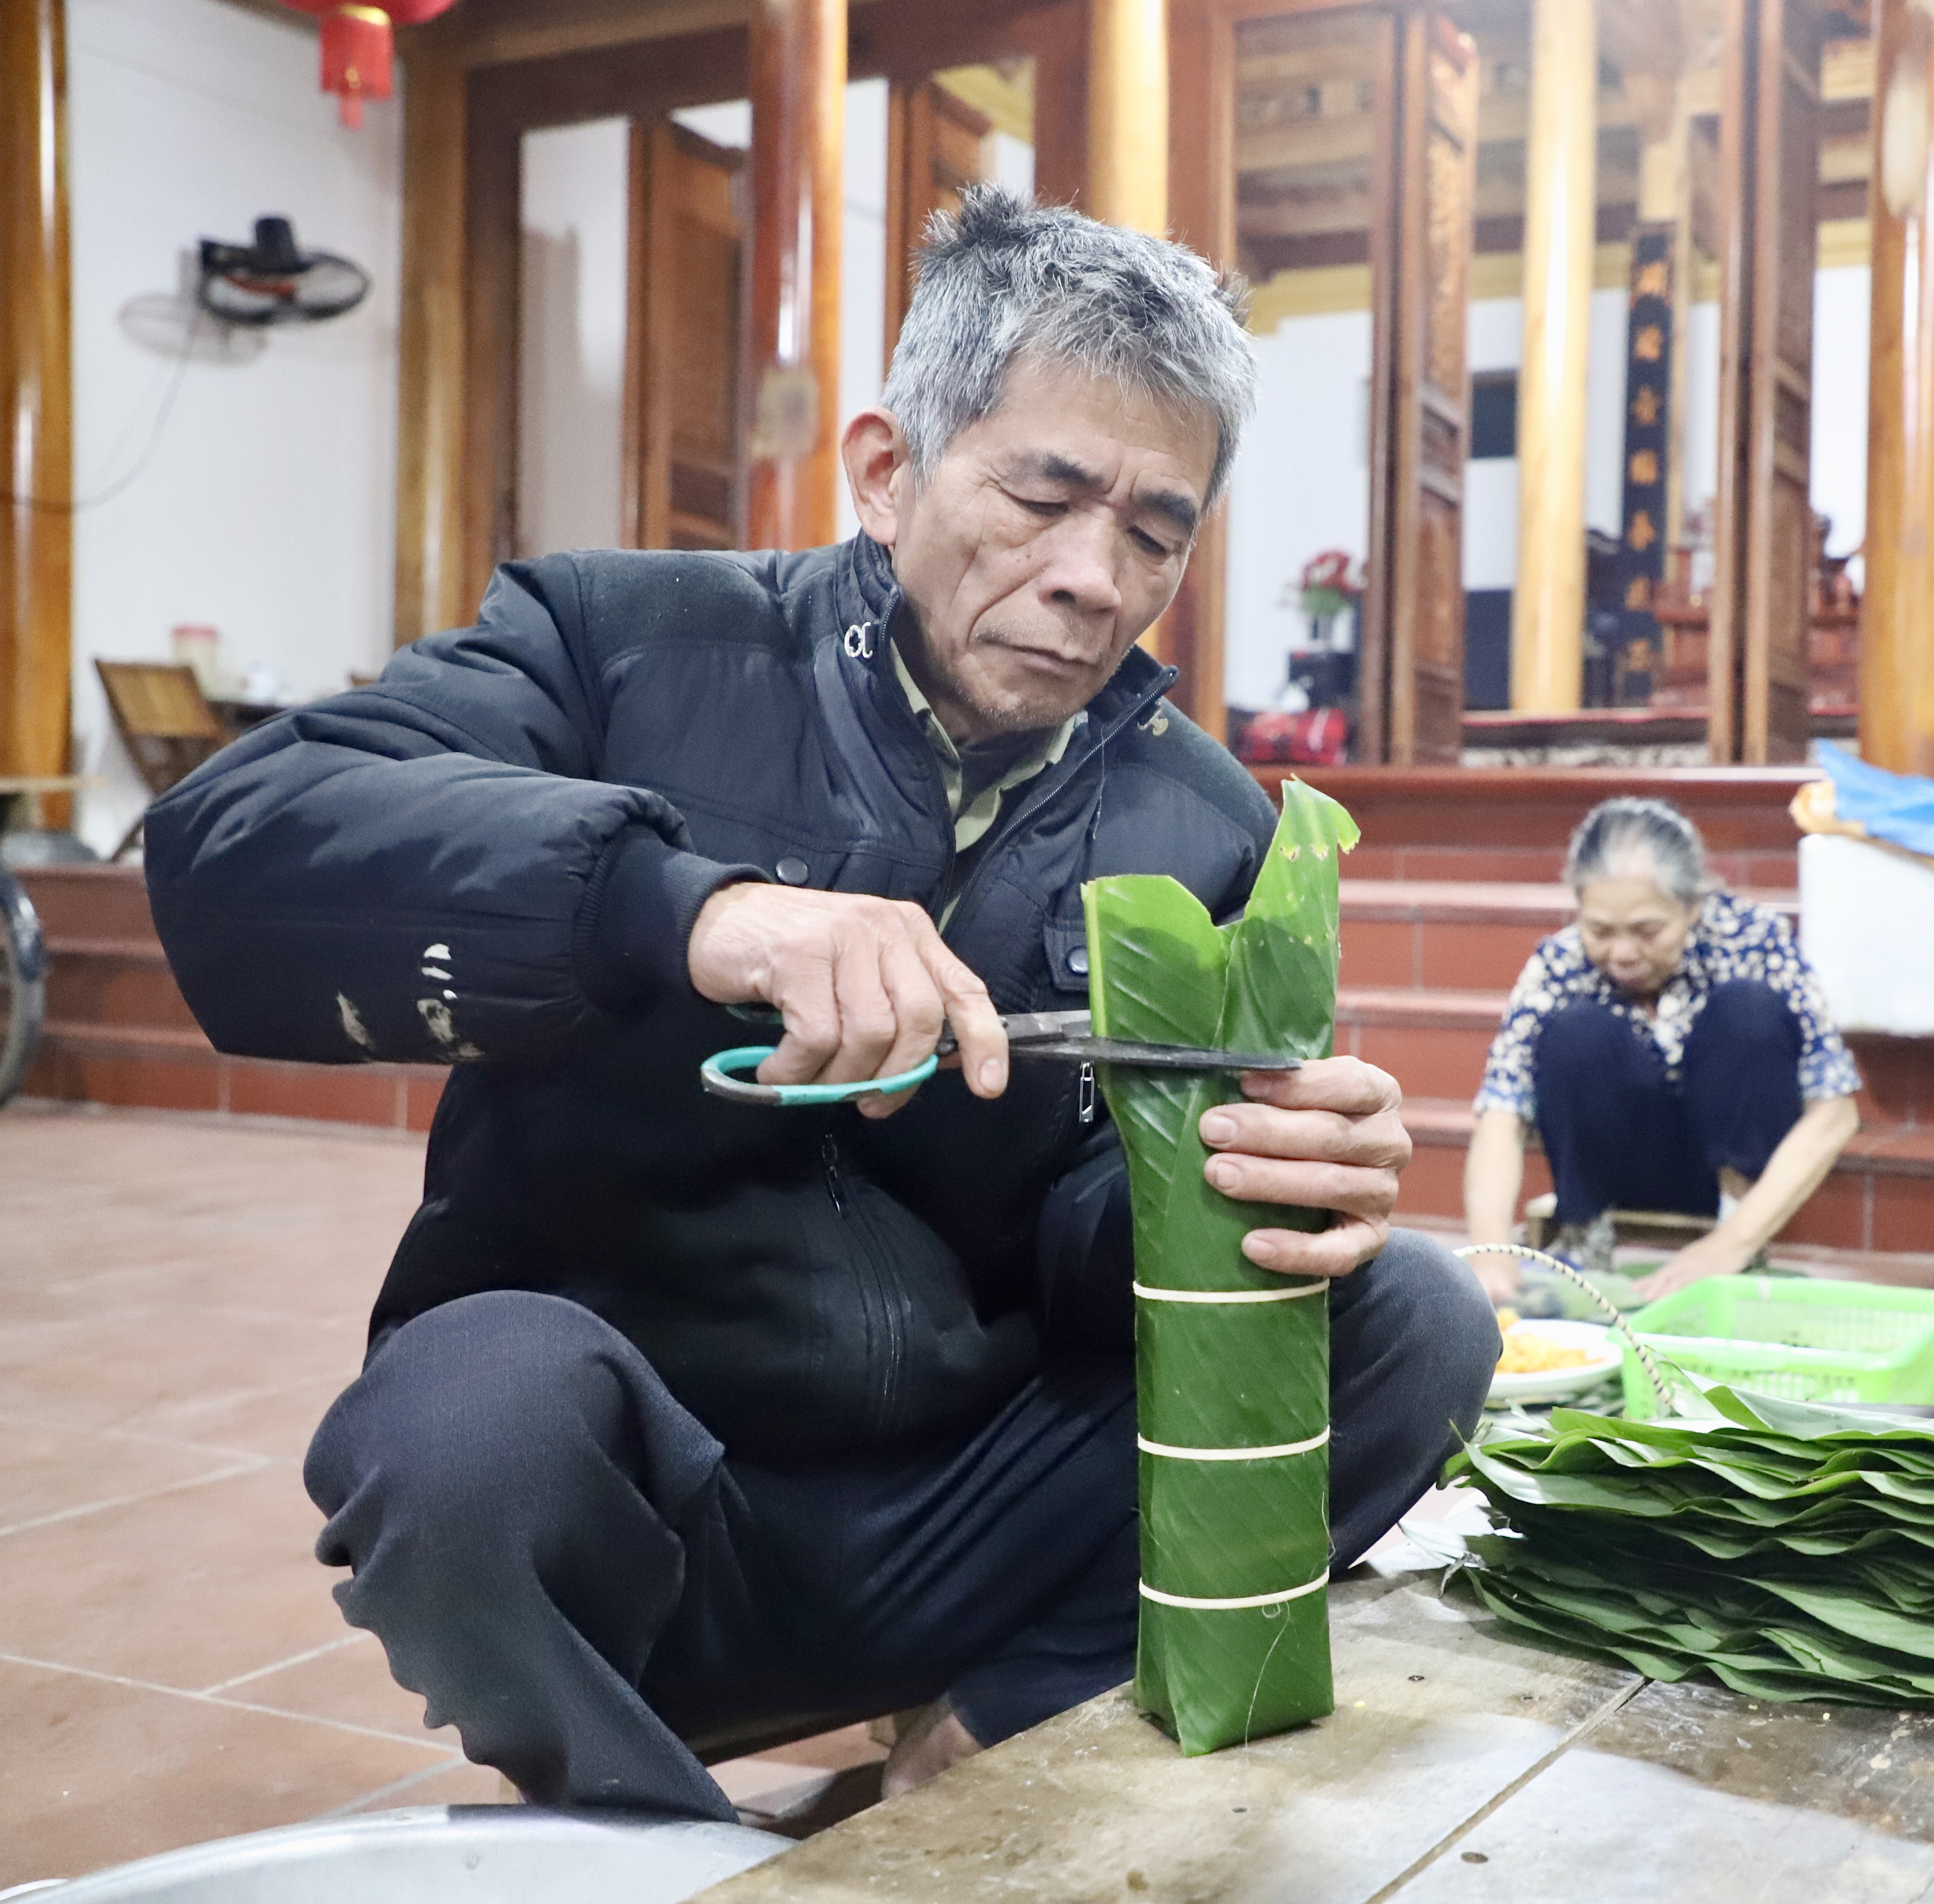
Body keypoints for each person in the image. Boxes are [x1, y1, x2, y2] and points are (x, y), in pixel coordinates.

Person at [141, 189, 1496, 1821]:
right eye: (1040, 493)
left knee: (1416, 1314)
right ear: (884, 467)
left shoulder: (1203, 822)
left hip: (976, 1510)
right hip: (653, 1515)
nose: (1091, 577)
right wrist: (689, 907)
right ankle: (663, 1834)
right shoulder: (620, 644)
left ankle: (965, 1752)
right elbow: (236, 839)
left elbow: (1099, 1251)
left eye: (1154, 528)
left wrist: (1248, 1189)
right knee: (463, 1416)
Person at [1459, 798, 1861, 1306]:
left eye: (1648, 932)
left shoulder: (1754, 941)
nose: (1623, 954)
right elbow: (1502, 1111)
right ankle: (1586, 1239)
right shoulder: (1560, 963)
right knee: (1575, 1032)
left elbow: (1837, 1112)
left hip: (1727, 1175)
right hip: (1620, 1170)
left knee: (1749, 1012)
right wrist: (1490, 1248)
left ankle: (1735, 1225)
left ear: (1693, 905)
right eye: (1600, 931)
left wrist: (1730, 1244)